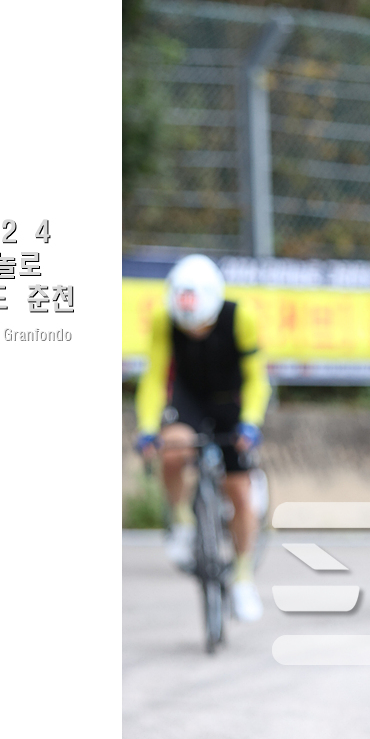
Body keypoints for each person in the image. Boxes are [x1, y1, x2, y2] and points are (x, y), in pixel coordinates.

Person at [134, 255, 270, 622]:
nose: (194, 332)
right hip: (189, 400)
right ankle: (181, 521)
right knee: (172, 449)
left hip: (232, 403)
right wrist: (147, 428)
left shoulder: (240, 316)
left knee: (240, 493)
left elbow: (256, 378)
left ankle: (242, 578)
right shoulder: (165, 318)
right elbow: (153, 377)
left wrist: (250, 423)